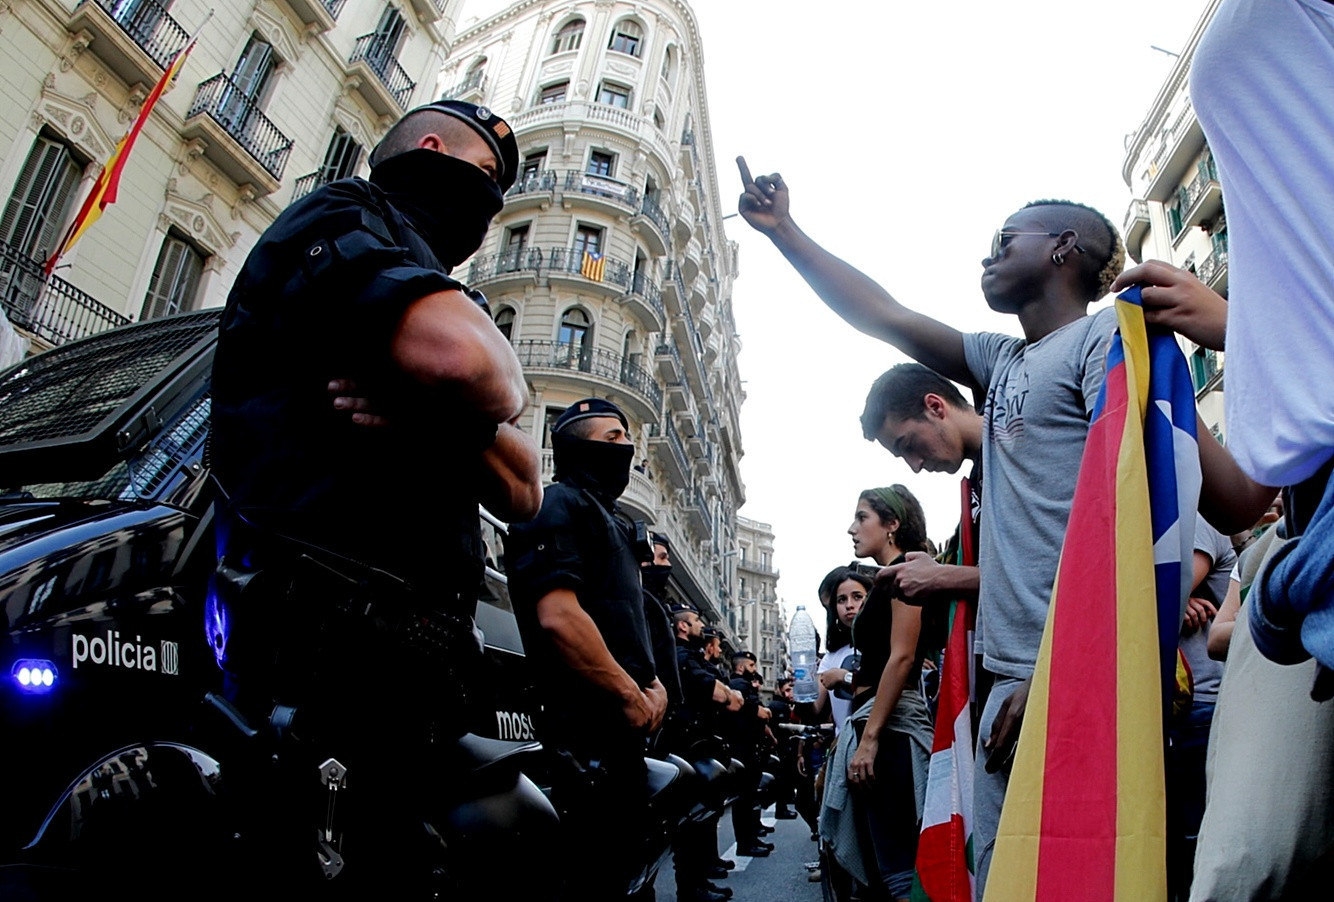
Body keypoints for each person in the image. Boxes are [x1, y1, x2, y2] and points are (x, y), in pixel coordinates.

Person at [739, 158, 1127, 892]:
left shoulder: (1102, 343)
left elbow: (1116, 536)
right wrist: (787, 233)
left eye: (1007, 239)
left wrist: (1046, 673)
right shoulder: (1003, 361)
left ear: (1063, 246)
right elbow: (885, 316)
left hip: (1064, 675)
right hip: (1006, 683)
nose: (989, 253)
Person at [208, 99, 545, 894]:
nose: (488, 212)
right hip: (327, 658)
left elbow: (525, 483)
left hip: (415, 672)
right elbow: (483, 371)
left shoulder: (422, 279)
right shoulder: (344, 215)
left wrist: (431, 416)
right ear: (432, 150)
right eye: (487, 180)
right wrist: (462, 399)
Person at [503, 397, 669, 902]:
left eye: (627, 437)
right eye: (612, 438)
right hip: (582, 740)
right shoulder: (558, 503)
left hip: (625, 734)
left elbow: (627, 622)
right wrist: (628, 695)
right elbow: (559, 617)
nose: (628, 448)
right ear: (576, 448)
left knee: (630, 875)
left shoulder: (616, 525)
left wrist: (654, 688)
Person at [825, 486, 934, 902]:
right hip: (878, 724)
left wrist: (869, 739)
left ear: (892, 525)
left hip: (890, 731)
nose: (852, 529)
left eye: (862, 517)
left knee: (897, 862)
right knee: (883, 859)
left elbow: (903, 657)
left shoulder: (908, 571)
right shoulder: (888, 578)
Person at [667, 602, 742, 902]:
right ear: (683, 626)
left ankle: (698, 882)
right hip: (687, 748)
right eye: (697, 620)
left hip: (701, 746)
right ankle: (690, 889)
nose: (701, 625)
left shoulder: (693, 659)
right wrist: (727, 694)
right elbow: (725, 696)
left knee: (702, 818)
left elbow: (731, 699)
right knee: (690, 824)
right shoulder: (682, 657)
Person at [724, 649, 775, 858]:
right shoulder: (739, 685)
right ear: (741, 666)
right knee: (744, 799)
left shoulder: (741, 685)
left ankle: (751, 839)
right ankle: (746, 844)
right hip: (742, 748)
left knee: (749, 797)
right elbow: (758, 712)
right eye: (752, 666)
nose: (754, 671)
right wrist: (760, 712)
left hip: (747, 747)